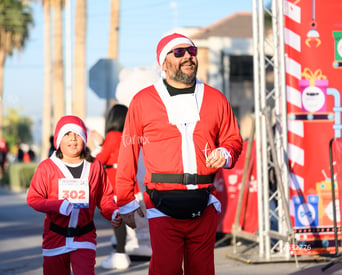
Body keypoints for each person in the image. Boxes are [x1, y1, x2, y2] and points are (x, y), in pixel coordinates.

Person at [114, 33, 243, 275]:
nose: (188, 57)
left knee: (202, 270)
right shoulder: (143, 101)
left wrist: (225, 152)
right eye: (179, 52)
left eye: (192, 52)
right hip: (160, 203)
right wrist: (125, 202)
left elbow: (233, 138)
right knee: (166, 269)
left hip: (204, 202)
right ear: (163, 62)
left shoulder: (215, 98)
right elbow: (128, 150)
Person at [27, 115, 122, 275]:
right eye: (67, 134)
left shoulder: (94, 165)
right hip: (55, 238)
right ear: (58, 140)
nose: (73, 139)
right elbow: (33, 198)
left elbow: (105, 197)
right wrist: (58, 205)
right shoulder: (47, 167)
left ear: (84, 138)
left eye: (77, 134)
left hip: (84, 238)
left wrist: (112, 212)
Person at [88, 104, 132, 270]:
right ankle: (121, 252)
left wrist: (91, 152)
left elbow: (101, 158)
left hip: (114, 184)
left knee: (117, 219)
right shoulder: (128, 136)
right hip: (128, 182)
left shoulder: (113, 135)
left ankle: (120, 255)